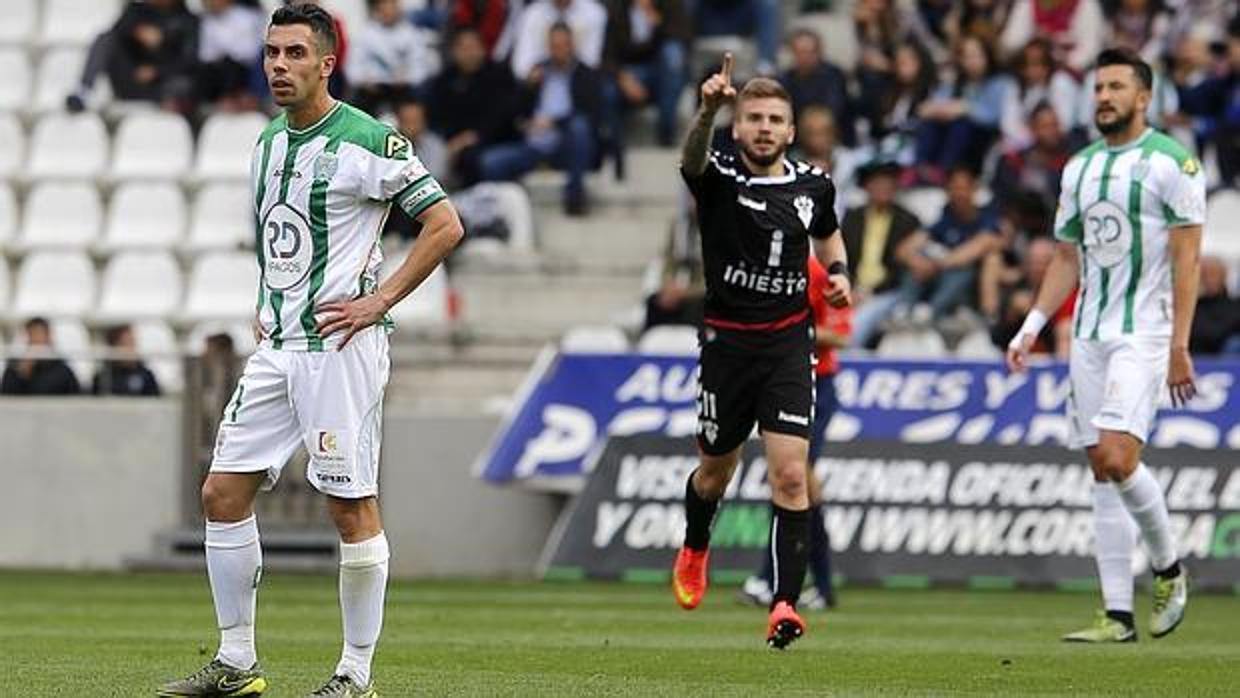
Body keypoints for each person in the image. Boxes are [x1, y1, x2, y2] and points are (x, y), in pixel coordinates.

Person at [156, 5, 463, 697]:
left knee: (348, 505)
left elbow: (445, 224)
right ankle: (237, 662)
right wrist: (265, 307)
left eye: (295, 53)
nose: (279, 66)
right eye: (271, 53)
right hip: (279, 344)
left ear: (327, 63)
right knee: (221, 492)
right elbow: (277, 244)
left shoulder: (367, 141)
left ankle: (355, 674)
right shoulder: (267, 142)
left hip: (340, 348)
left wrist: (380, 299)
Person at [1007, 47, 1201, 643]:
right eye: (1098, 88)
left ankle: (1169, 567)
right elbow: (1067, 257)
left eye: (1116, 87)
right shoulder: (1080, 167)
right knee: (1101, 468)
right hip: (1087, 334)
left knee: (1119, 457)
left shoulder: (1174, 163)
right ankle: (1117, 614)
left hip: (1144, 332)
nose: (1104, 97)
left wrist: (1179, 345)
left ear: (1144, 97)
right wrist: (1032, 326)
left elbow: (1189, 258)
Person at [672, 54, 852, 650]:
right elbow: (690, 160)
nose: (765, 128)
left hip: (785, 345)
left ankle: (784, 604)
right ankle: (697, 544)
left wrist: (839, 272)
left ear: (790, 130)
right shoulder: (719, 176)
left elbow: (826, 230)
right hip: (727, 348)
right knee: (715, 472)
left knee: (793, 475)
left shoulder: (813, 184)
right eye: (754, 118)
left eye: (775, 118)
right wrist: (706, 111)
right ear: (739, 125)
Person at [738, 252, 851, 611]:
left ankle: (774, 580)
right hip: (781, 379)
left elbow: (840, 335)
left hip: (818, 381)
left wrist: (785, 329)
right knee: (796, 480)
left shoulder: (820, 274)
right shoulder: (765, 268)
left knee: (793, 476)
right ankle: (818, 582)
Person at [478, 23, 602, 215]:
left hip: (566, 144)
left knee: (579, 127)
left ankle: (575, 195)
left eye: (563, 45)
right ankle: (509, 209)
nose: (559, 51)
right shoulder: (538, 71)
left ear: (572, 46)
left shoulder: (585, 74)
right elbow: (514, 112)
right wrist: (526, 87)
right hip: (533, 144)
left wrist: (555, 122)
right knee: (490, 162)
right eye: (554, 46)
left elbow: (591, 114)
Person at [839, 161, 926, 348]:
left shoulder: (908, 220)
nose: (883, 190)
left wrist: (869, 293)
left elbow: (901, 268)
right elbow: (841, 256)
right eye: (878, 184)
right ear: (867, 187)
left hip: (889, 292)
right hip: (851, 288)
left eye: (888, 185)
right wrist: (850, 288)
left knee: (857, 324)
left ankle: (847, 365)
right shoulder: (852, 217)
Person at [348, 0, 441, 115]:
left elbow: (421, 68)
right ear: (377, 10)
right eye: (384, 9)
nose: (388, 12)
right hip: (372, 91)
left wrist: (408, 79)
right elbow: (352, 68)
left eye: (391, 8)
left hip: (403, 90)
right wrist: (363, 81)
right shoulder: (365, 34)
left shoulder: (412, 33)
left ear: (398, 9)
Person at [0, 318, 81, 396]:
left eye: (39, 334)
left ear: (48, 336)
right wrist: (22, 375)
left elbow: (74, 394)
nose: (36, 340)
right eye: (32, 335)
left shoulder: (62, 369)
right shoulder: (15, 367)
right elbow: (7, 394)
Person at [1190, 256, 1240, 355]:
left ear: (1223, 276)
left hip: (1222, 359)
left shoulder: (1234, 306)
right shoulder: (1189, 308)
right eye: (1203, 275)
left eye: (1212, 274)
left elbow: (1217, 333)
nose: (1207, 279)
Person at [92, 325, 161, 396]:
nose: (130, 349)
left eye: (131, 342)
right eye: (124, 343)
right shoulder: (102, 378)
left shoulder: (146, 375)